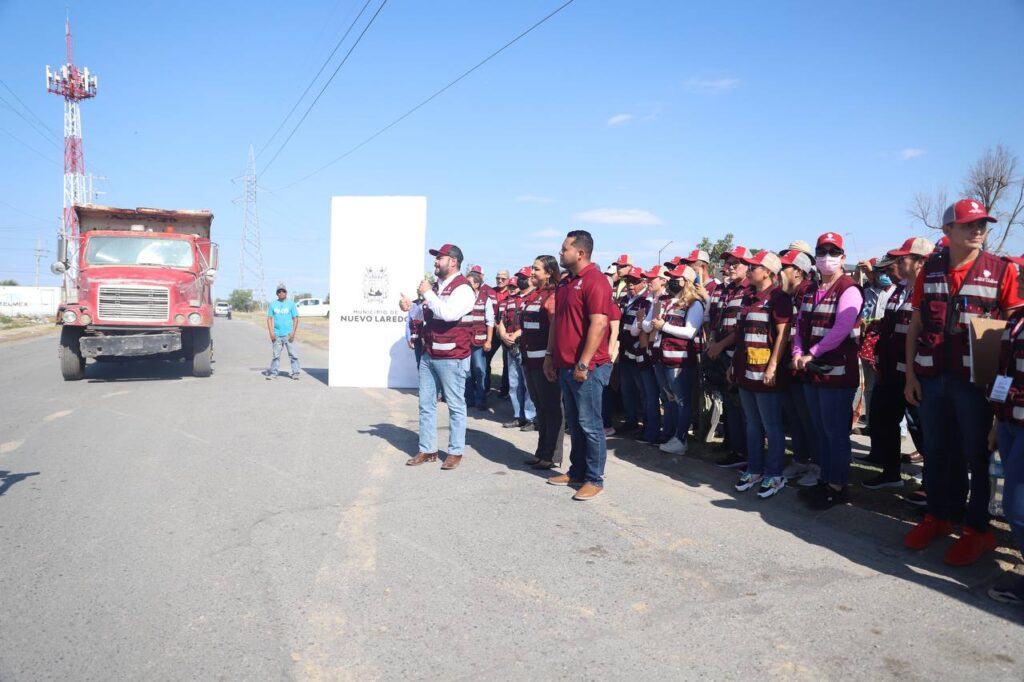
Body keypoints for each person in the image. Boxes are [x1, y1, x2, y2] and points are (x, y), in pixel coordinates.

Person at [903, 200, 1023, 565]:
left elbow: (1013, 333)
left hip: (977, 384)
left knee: (977, 455)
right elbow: (917, 324)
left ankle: (977, 529)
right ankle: (939, 515)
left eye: (982, 224)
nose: (978, 230)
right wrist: (909, 374)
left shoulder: (1000, 271)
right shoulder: (931, 269)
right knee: (937, 451)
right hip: (933, 377)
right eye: (969, 224)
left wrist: (999, 388)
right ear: (948, 231)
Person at [792, 232, 864, 509]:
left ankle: (838, 485)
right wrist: (799, 352)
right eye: (822, 252)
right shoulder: (811, 290)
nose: (827, 258)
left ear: (843, 258)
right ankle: (825, 479)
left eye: (833, 253)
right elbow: (801, 325)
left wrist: (812, 353)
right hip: (813, 370)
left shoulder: (849, 289)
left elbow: (841, 329)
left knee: (835, 432)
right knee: (821, 429)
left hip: (836, 372)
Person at [544, 229, 613, 501]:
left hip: (588, 368)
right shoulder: (565, 283)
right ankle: (576, 472)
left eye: (564, 249)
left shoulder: (596, 281)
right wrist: (550, 355)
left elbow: (599, 324)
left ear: (580, 253)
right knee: (575, 422)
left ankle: (594, 479)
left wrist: (583, 363)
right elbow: (558, 322)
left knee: (590, 424)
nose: (560, 253)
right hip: (564, 365)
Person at [863, 237, 932, 489]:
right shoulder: (900, 288)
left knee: (921, 429)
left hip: (914, 375)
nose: (898, 263)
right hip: (891, 372)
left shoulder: (930, 290)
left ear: (921, 261)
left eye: (903, 258)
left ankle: (930, 481)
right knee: (883, 420)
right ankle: (890, 473)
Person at [400, 243, 476, 470]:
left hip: (452, 356)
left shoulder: (463, 288)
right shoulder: (435, 287)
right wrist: (409, 307)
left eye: (439, 258)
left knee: (455, 405)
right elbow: (425, 312)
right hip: (429, 354)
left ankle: (455, 452)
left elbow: (448, 313)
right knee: (425, 405)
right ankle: (427, 449)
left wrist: (427, 293)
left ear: (453, 261)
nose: (435, 261)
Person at [729, 251, 793, 498]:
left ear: (768, 271)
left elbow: (782, 335)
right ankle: (754, 468)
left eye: (755, 266)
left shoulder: (779, 298)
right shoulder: (748, 297)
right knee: (752, 424)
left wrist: (773, 366)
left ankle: (774, 473)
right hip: (746, 371)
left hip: (765, 372)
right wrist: (734, 364)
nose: (750, 268)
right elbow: (741, 335)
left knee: (771, 425)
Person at [989, 255, 1024, 605]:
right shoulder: (1016, 319)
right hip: (1011, 420)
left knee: (1017, 507)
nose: (1019, 277)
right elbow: (1006, 372)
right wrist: (998, 422)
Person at [646, 264, 706, 455]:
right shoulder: (664, 300)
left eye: (676, 278)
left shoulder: (694, 303)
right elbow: (648, 325)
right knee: (668, 399)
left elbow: (690, 332)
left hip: (679, 360)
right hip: (660, 357)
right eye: (670, 277)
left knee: (681, 400)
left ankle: (681, 439)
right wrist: (651, 324)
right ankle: (669, 434)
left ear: (686, 281)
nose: (672, 281)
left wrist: (663, 326)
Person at [706, 246, 754, 468]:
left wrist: (721, 345)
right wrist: (713, 343)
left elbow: (741, 328)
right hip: (721, 352)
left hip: (736, 354)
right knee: (730, 404)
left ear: (748, 266)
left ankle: (742, 452)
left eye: (736, 263)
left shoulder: (749, 291)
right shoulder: (728, 290)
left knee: (741, 407)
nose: (731, 267)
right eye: (729, 263)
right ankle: (734, 446)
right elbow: (716, 321)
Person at [777, 249, 820, 487]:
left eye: (785, 267)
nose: (780, 272)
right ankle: (801, 459)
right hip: (789, 366)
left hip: (803, 365)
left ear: (799, 272)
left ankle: (816, 464)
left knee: (808, 418)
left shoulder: (808, 292)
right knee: (795, 418)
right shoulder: (787, 294)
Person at [521, 255, 564, 469]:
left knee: (551, 408)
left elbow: (554, 328)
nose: (532, 272)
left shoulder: (553, 294)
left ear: (548, 272)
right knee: (540, 408)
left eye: (536, 269)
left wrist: (549, 357)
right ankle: (541, 452)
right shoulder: (535, 294)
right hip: (529, 360)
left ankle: (552, 455)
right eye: (532, 267)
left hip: (544, 362)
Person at [618, 266, 660, 443]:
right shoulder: (623, 299)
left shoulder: (647, 301)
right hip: (624, 351)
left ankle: (648, 427)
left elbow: (641, 330)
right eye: (628, 281)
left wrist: (639, 349)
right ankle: (630, 422)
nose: (630, 285)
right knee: (626, 389)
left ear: (643, 283)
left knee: (645, 392)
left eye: (634, 282)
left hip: (638, 352)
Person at [497, 267, 537, 430]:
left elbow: (532, 322)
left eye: (524, 277)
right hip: (509, 345)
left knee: (528, 384)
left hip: (524, 345)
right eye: (519, 277)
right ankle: (518, 415)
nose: (521, 280)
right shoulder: (508, 300)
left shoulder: (533, 298)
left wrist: (516, 335)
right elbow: (499, 321)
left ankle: (531, 418)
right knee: (514, 383)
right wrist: (504, 335)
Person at [464, 270, 495, 410]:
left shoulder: (485, 299)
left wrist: (489, 341)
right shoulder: (462, 298)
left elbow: (490, 321)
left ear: (476, 284)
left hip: (479, 342)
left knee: (480, 370)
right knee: (466, 372)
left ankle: (481, 400)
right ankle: (468, 400)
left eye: (469, 282)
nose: (466, 285)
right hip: (464, 341)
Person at [266, 284, 300, 380]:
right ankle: (273, 373)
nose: (281, 293)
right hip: (277, 335)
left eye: (283, 291)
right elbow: (269, 319)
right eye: (279, 291)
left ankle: (295, 372)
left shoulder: (291, 304)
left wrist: (293, 333)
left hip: (289, 334)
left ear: (286, 293)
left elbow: (295, 318)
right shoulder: (273, 304)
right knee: (276, 356)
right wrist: (271, 333)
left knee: (293, 355)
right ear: (277, 293)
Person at [487, 269, 512, 395]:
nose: (500, 280)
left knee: (507, 362)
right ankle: (485, 387)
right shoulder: (490, 291)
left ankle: (505, 389)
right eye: (498, 278)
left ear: (508, 279)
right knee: (485, 358)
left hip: (507, 332)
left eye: (503, 278)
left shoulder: (512, 292)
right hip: (493, 330)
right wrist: (496, 326)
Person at [405, 292, 425, 367]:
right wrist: (408, 338)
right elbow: (409, 322)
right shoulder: (414, 304)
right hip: (418, 339)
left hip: (432, 339)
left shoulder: (435, 301)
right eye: (419, 290)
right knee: (419, 363)